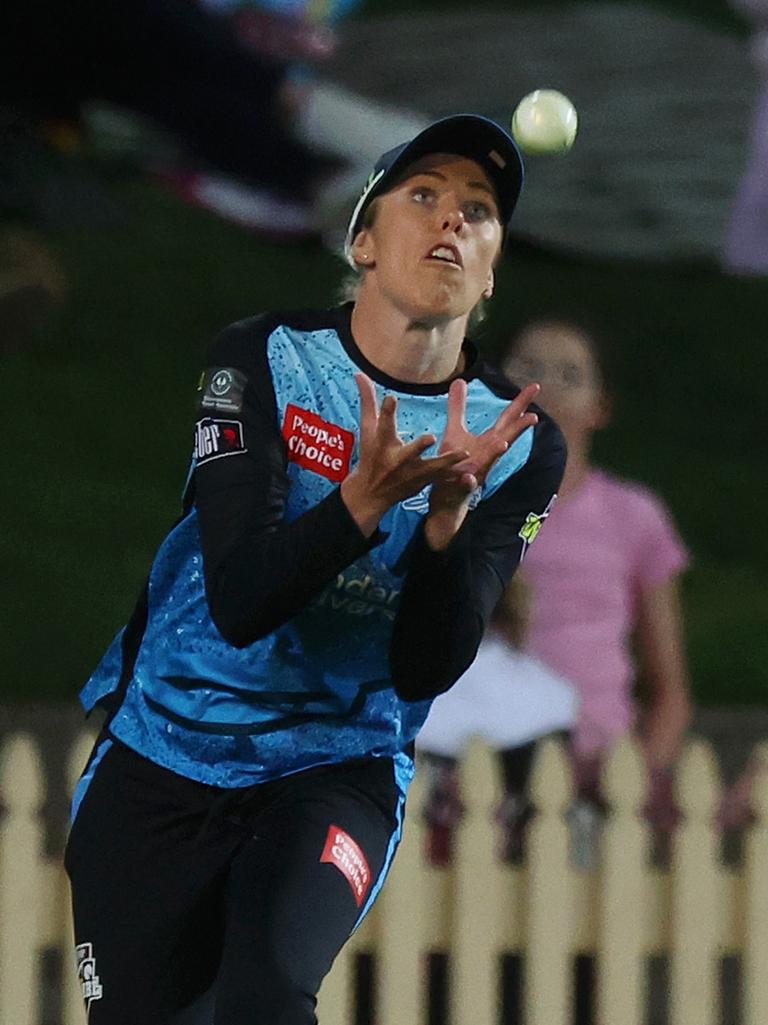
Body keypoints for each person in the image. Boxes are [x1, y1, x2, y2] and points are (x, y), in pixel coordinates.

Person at [64, 114, 566, 1025]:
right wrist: (359, 506)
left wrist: (447, 523)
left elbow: (425, 669)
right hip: (162, 752)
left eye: (480, 211)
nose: (453, 219)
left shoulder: (517, 443)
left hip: (338, 764)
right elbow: (242, 599)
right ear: (364, 241)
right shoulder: (264, 359)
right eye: (424, 195)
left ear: (491, 270)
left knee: (267, 997)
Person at [419, 315, 692, 862]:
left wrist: (632, 777)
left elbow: (669, 691)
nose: (547, 387)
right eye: (529, 368)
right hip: (459, 766)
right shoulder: (456, 502)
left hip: (589, 774)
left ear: (601, 407)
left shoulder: (632, 516)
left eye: (571, 373)